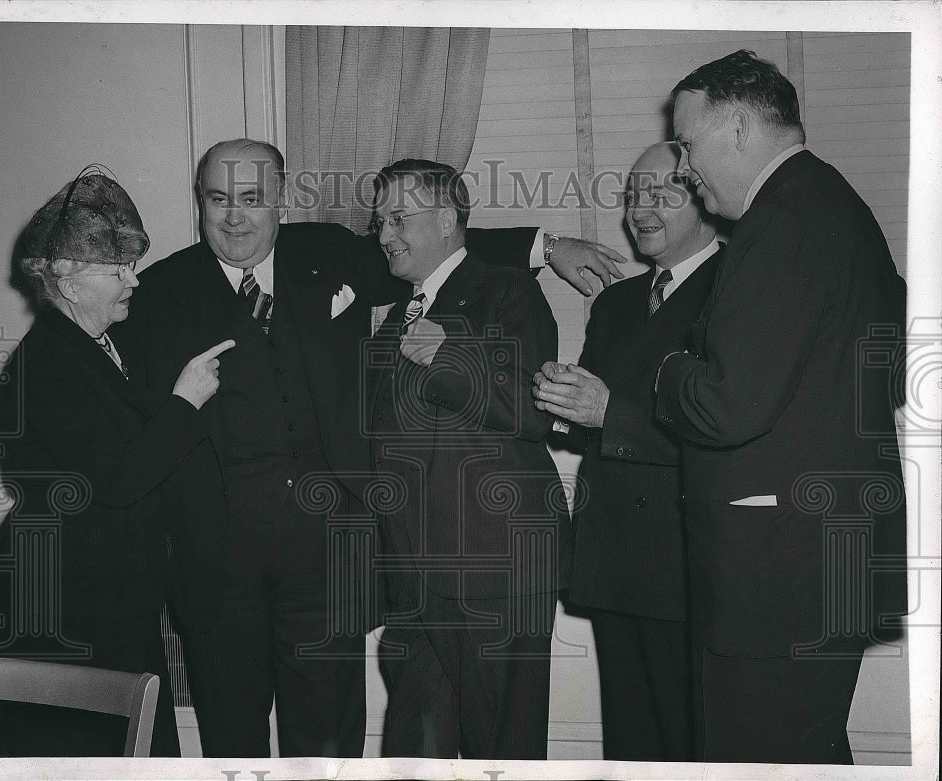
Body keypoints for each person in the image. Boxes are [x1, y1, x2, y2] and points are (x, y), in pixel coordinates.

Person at [114, 138, 624, 758]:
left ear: (281, 202)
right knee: (232, 742)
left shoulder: (328, 253)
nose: (234, 216)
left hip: (330, 560)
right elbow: (135, 429)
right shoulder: (156, 293)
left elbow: (442, 247)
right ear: (200, 201)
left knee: (333, 744)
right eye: (218, 199)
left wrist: (548, 246)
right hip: (218, 567)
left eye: (251, 198)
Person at [656, 50, 907, 763]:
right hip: (827, 560)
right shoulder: (838, 203)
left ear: (738, 128)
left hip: (774, 575)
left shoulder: (778, 223)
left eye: (687, 144)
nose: (683, 168)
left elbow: (728, 405)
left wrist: (670, 372)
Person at [0, 170, 232, 756]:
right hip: (62, 612)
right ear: (66, 280)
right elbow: (121, 479)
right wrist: (185, 401)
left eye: (131, 266)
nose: (133, 280)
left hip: (109, 603)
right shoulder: (49, 363)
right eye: (116, 270)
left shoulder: (97, 344)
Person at [367, 159, 569, 759]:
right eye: (379, 222)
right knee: (413, 754)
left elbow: (534, 407)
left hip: (493, 573)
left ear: (447, 220)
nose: (383, 234)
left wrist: (450, 353)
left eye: (398, 218)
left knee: (501, 753)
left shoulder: (510, 289)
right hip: (415, 582)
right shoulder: (396, 315)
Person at [533, 141, 721, 761]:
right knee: (632, 748)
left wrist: (607, 412)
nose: (641, 209)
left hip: (689, 567)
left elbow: (726, 427)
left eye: (662, 193)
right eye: (634, 194)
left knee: (693, 746)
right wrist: (558, 403)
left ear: (706, 196)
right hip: (613, 562)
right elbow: (596, 424)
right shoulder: (614, 302)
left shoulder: (737, 288)